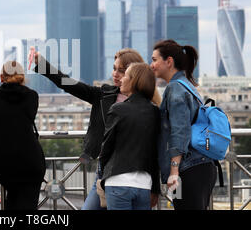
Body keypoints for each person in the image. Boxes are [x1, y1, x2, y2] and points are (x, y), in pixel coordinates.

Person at [32, 48, 161, 210]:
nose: (115, 74)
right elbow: (70, 84)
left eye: (121, 71)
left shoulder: (149, 107)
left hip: (136, 177)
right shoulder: (104, 94)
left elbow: (154, 149)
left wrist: (155, 187)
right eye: (114, 69)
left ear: (133, 74)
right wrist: (43, 66)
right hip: (105, 170)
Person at [151, 40, 217, 210]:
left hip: (186, 171)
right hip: (200, 167)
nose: (151, 65)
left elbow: (180, 131)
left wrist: (174, 172)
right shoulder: (187, 85)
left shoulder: (175, 88)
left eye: (154, 59)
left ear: (169, 61)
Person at [0, 61, 46, 210]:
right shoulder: (32, 96)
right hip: (30, 162)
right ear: (22, 77)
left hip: (3, 163)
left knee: (13, 201)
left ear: (1, 77)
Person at [99, 63, 161, 210]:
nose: (122, 79)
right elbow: (155, 154)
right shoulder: (155, 112)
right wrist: (155, 189)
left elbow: (106, 148)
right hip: (144, 185)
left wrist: (103, 175)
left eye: (125, 75)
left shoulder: (118, 109)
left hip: (117, 181)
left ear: (134, 81)